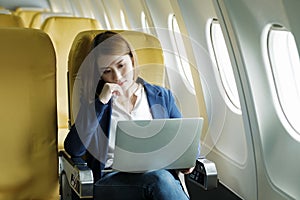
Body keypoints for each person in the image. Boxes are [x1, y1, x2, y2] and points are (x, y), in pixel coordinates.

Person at [64, 31, 194, 200]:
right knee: (158, 181)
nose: (117, 77)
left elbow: (186, 139)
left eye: (121, 65)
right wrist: (101, 103)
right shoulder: (95, 103)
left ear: (132, 60)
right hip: (111, 180)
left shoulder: (162, 97)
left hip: (158, 176)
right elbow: (74, 148)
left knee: (160, 179)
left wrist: (188, 162)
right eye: (107, 71)